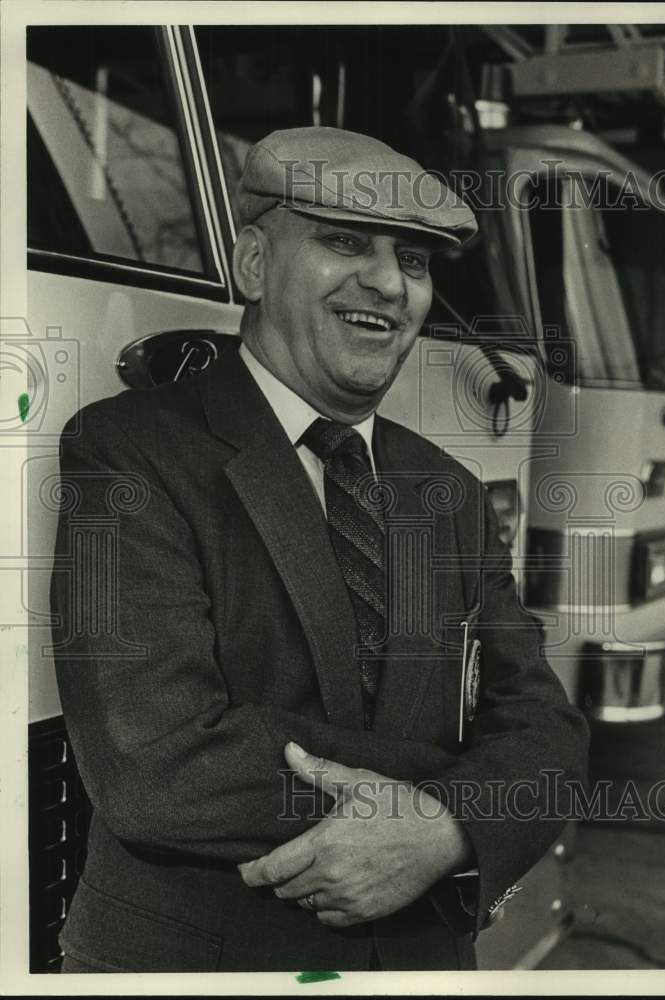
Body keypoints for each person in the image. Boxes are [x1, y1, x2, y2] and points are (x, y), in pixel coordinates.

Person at [50, 126, 589, 973]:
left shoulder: (445, 487)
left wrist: (446, 831)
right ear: (255, 264)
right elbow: (155, 761)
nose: (387, 282)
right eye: (344, 241)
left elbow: (543, 725)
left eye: (414, 260)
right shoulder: (128, 449)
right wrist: (447, 797)